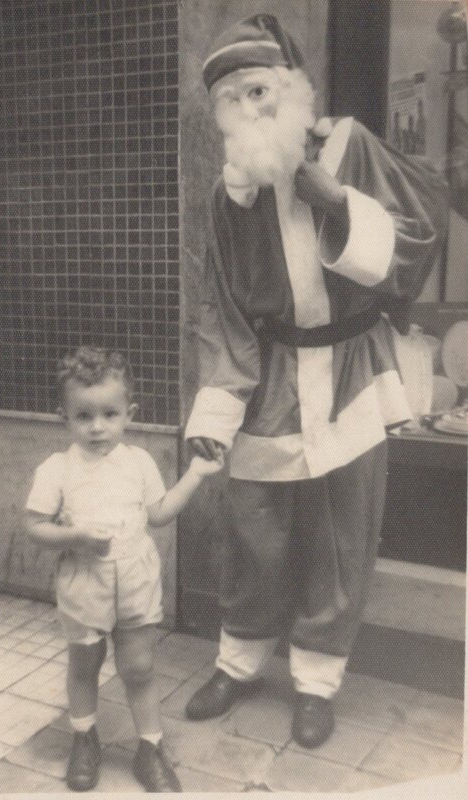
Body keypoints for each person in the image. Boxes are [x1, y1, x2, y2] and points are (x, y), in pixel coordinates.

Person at [184, 14, 448, 748]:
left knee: (341, 535)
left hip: (351, 374)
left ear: (293, 89)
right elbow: (222, 307)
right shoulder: (227, 197)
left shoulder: (352, 146)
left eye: (260, 91)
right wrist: (217, 411)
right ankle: (238, 662)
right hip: (270, 377)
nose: (251, 109)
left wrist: (335, 199)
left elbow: (422, 234)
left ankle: (316, 681)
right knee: (253, 532)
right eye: (234, 99)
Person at [24, 346, 223, 792]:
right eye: (84, 416)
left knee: (139, 668)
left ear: (129, 414)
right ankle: (84, 738)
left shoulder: (139, 462)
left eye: (109, 414)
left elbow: (160, 513)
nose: (97, 427)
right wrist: (75, 536)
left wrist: (196, 473)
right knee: (84, 664)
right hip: (85, 582)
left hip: (134, 581)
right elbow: (34, 526)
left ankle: (150, 749)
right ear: (64, 418)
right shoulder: (57, 469)